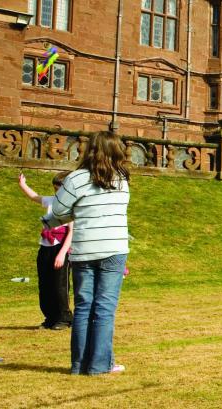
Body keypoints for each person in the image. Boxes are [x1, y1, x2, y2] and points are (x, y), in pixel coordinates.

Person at [42, 131, 130, 375]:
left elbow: (59, 209)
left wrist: (73, 213)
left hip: (85, 249)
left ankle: (79, 365)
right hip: (114, 248)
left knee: (84, 306)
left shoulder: (76, 179)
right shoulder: (122, 179)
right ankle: (100, 365)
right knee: (104, 308)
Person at [18, 171, 74, 330]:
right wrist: (23, 185)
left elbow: (71, 231)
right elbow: (34, 197)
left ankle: (64, 318)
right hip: (45, 247)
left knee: (59, 285)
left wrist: (62, 253)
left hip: (60, 248)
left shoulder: (71, 206)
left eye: (59, 189)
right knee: (45, 284)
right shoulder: (50, 201)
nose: (56, 192)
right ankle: (50, 317)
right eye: (55, 189)